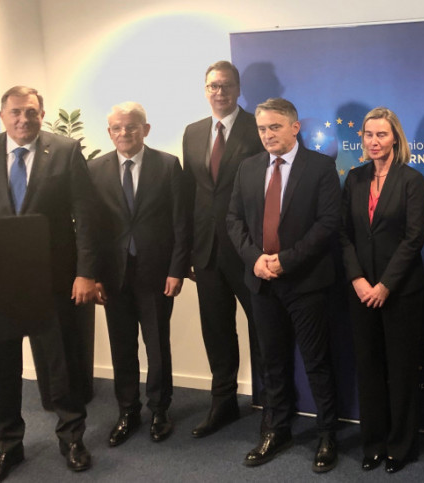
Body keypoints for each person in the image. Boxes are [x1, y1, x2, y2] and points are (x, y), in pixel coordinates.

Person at [0, 85, 96, 481]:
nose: (23, 119)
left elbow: (85, 215)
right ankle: (7, 446)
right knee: (2, 367)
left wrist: (85, 271)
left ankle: (72, 438)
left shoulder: (64, 151)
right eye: (15, 112)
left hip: (52, 278)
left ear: (41, 114)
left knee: (61, 362)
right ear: (3, 115)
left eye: (31, 111)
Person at [226, 97, 341, 473]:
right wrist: (255, 259)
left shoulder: (320, 167)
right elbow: (233, 220)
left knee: (317, 362)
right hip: (261, 282)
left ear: (295, 127)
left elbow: (328, 223)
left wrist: (286, 260)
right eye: (262, 128)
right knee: (272, 362)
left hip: (306, 282)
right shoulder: (248, 167)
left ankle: (327, 435)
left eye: (275, 127)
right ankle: (276, 430)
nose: (267, 135)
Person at [88, 102, 189, 447]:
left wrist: (177, 269)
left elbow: (181, 223)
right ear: (109, 132)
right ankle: (128, 410)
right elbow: (91, 229)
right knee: (122, 346)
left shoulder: (168, 165)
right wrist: (93, 275)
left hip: (156, 273)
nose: (124, 133)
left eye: (131, 127)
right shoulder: (95, 169)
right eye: (117, 128)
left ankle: (160, 409)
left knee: (157, 345)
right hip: (113, 276)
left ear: (145, 129)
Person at [339, 107, 424, 474]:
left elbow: (414, 238)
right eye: (368, 134)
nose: (374, 141)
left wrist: (385, 285)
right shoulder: (354, 178)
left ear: (395, 138)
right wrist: (358, 280)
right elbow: (343, 234)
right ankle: (373, 443)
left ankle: (400, 446)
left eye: (381, 134)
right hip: (361, 292)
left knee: (401, 371)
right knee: (368, 369)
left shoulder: (411, 180)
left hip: (400, 292)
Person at [182, 60, 265, 438]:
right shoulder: (193, 132)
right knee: (216, 331)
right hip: (207, 252)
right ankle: (223, 402)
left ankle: (271, 404)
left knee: (262, 330)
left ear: (238, 89)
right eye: (213, 86)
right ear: (205, 90)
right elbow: (190, 195)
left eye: (227, 85)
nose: (220, 92)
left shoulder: (256, 128)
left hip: (248, 250)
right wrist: (187, 250)